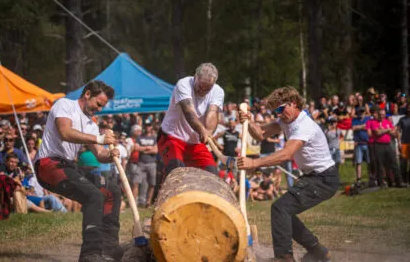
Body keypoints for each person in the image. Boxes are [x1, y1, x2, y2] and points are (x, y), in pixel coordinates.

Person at [237, 86, 338, 262]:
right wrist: (248, 121)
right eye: (276, 111)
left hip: (323, 179)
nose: (279, 115)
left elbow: (285, 154)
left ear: (293, 103)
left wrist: (254, 163)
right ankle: (318, 252)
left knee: (280, 208)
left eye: (280, 109)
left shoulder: (303, 125)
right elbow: (261, 133)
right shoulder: (287, 121)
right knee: (285, 211)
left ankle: (284, 257)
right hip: (314, 177)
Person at [33, 80, 122, 262]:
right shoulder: (65, 105)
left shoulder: (91, 123)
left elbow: (99, 154)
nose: (98, 109)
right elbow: (65, 132)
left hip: (67, 166)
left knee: (112, 191)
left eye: (102, 107)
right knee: (94, 196)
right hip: (48, 165)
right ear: (87, 94)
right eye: (98, 104)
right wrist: (99, 138)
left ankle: (109, 249)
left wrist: (111, 153)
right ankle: (90, 254)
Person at [158, 63, 224, 176]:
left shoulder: (218, 91)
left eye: (207, 89)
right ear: (195, 77)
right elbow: (189, 113)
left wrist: (209, 131)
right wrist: (202, 130)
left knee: (212, 175)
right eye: (200, 87)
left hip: (195, 144)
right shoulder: (183, 84)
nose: (202, 91)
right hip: (172, 138)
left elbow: (212, 113)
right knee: (176, 171)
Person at [370, 108, 404, 187]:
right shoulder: (374, 122)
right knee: (380, 165)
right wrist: (388, 130)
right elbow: (377, 132)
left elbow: (394, 133)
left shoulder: (387, 122)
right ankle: (381, 183)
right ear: (378, 114)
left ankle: (399, 182)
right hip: (378, 145)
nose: (382, 116)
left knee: (394, 163)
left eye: (383, 115)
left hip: (388, 144)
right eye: (380, 114)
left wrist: (385, 130)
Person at [132, 119, 158, 207]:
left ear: (151, 127)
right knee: (135, 182)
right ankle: (133, 202)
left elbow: (156, 150)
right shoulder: (140, 137)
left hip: (152, 163)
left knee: (152, 183)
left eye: (149, 125)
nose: (148, 127)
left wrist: (143, 149)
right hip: (141, 163)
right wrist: (148, 148)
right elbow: (136, 148)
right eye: (146, 125)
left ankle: (148, 202)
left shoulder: (154, 137)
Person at [351, 107, 371, 184]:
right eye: (359, 112)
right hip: (358, 144)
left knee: (369, 162)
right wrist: (363, 126)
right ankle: (359, 178)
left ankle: (371, 177)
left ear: (364, 112)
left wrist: (358, 127)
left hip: (367, 143)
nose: (361, 113)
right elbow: (353, 128)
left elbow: (368, 127)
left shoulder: (368, 118)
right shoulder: (354, 120)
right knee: (358, 162)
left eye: (362, 112)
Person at [397, 104, 410, 185]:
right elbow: (398, 131)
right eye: (409, 107)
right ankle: (403, 179)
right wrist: (399, 142)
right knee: (403, 163)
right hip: (404, 143)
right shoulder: (402, 119)